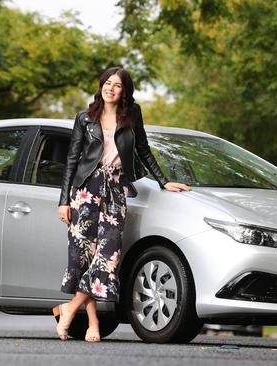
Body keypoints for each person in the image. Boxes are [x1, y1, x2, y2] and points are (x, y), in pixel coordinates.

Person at [54, 66, 191, 342]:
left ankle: (68, 309)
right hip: (86, 191)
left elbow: (144, 150)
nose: (110, 88)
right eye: (107, 83)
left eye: (117, 85)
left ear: (125, 91)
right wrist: (64, 201)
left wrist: (163, 180)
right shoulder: (84, 118)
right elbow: (71, 160)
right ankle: (92, 323)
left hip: (115, 191)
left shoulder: (131, 117)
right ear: (101, 86)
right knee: (83, 258)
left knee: (107, 257)